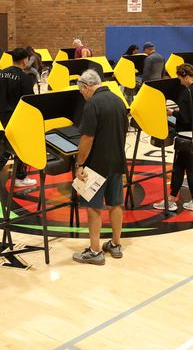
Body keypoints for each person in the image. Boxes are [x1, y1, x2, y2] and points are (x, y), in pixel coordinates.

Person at [72, 69, 128, 265]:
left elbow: (87, 138)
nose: (83, 95)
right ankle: (115, 243)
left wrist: (79, 164)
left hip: (97, 164)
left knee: (93, 207)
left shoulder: (92, 104)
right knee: (115, 203)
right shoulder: (118, 99)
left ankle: (95, 251)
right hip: (117, 160)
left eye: (82, 92)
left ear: (86, 87)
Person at [153, 64, 193, 214]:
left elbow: (186, 118)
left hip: (186, 136)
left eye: (180, 78)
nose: (180, 82)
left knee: (188, 169)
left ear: (186, 76)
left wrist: (172, 112)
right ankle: (172, 199)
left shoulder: (188, 92)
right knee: (180, 168)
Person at [0, 47, 37, 189]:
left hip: (1, 115)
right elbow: (28, 102)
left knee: (8, 144)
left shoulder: (0, 74)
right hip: (17, 117)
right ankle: (19, 177)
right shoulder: (25, 78)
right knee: (19, 146)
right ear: (25, 60)